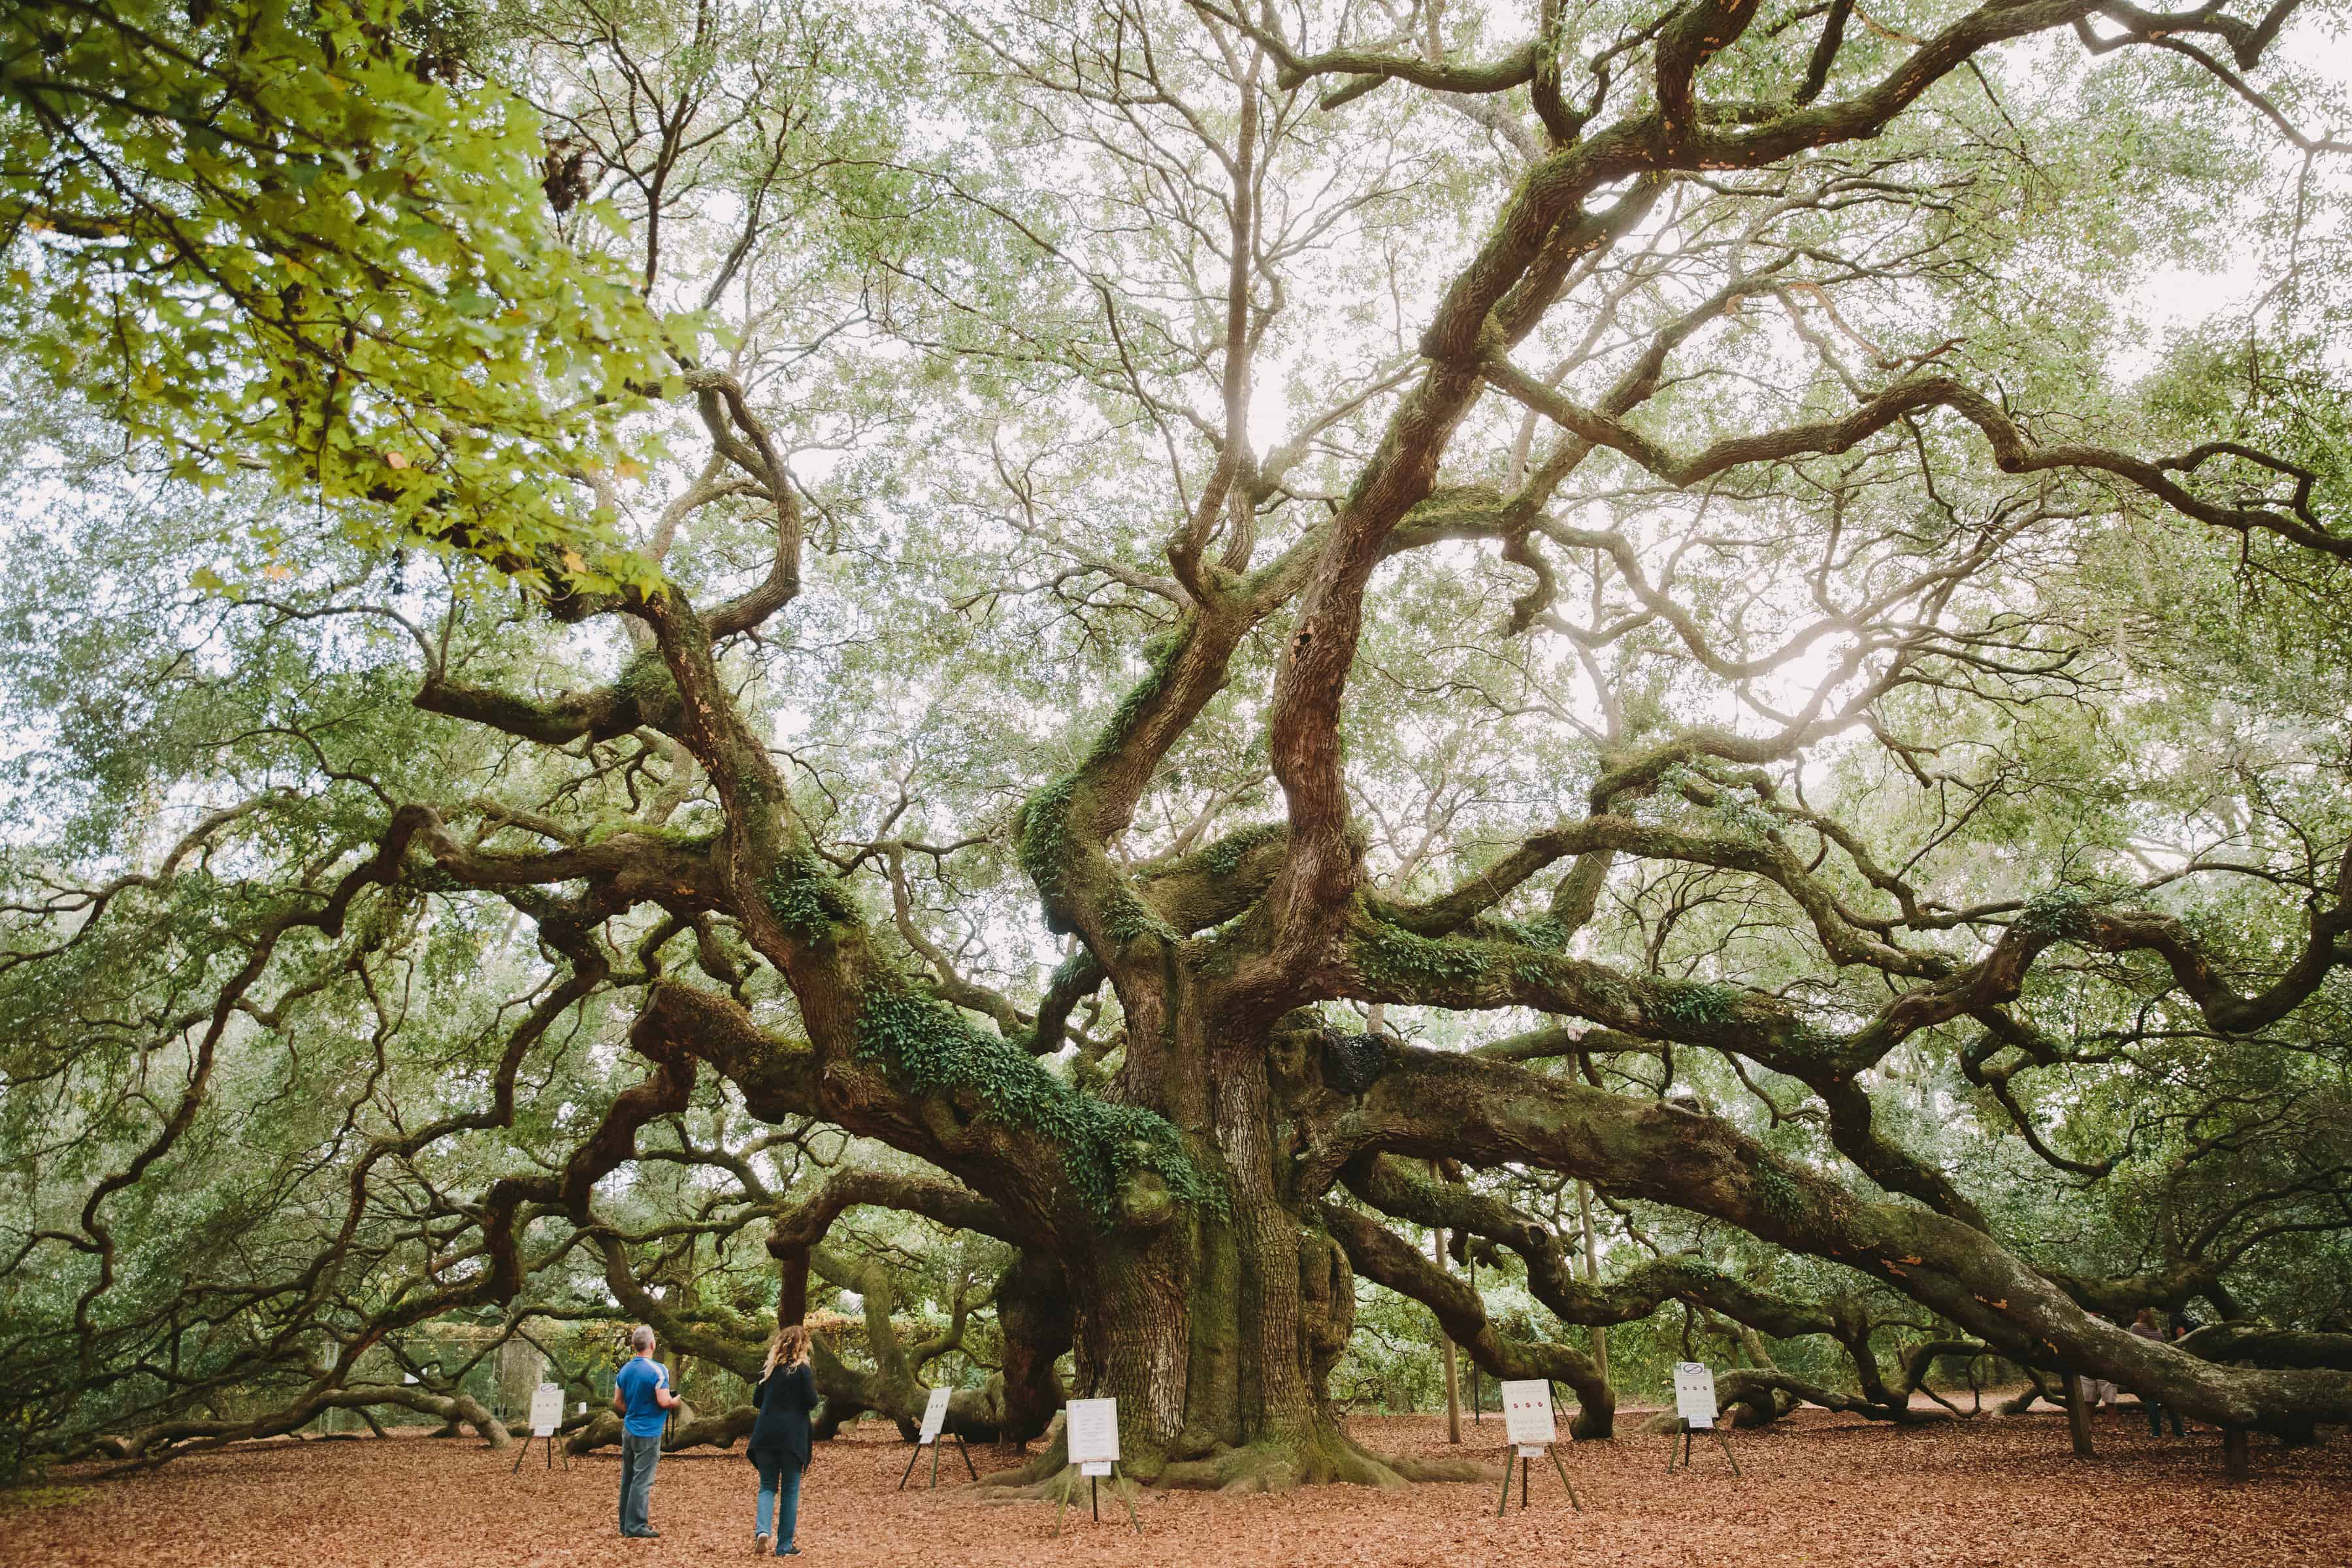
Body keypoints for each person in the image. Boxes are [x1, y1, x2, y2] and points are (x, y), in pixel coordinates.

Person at [748, 1322, 819, 1557]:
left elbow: (757, 1401)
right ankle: (784, 1546)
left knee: (767, 1486)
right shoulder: (803, 1371)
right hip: (792, 1438)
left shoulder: (768, 1370)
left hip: (766, 1435)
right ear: (802, 1347)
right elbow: (812, 1402)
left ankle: (762, 1530)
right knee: (789, 1490)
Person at [613, 1325, 680, 1539]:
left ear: (634, 1345)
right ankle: (636, 1526)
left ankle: (625, 1524)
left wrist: (634, 1410)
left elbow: (618, 1403)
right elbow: (662, 1401)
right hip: (649, 1432)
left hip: (629, 1430)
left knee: (628, 1478)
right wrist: (674, 1402)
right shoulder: (658, 1370)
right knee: (642, 1480)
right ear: (652, 1344)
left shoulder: (625, 1370)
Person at [2131, 1307, 2184, 1437]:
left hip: (2147, 1367)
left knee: (2152, 1400)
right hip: (2161, 1366)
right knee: (2169, 1400)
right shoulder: (2158, 1329)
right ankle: (2178, 1431)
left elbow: (2131, 1345)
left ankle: (2156, 1431)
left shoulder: (2136, 1327)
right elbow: (2163, 1346)